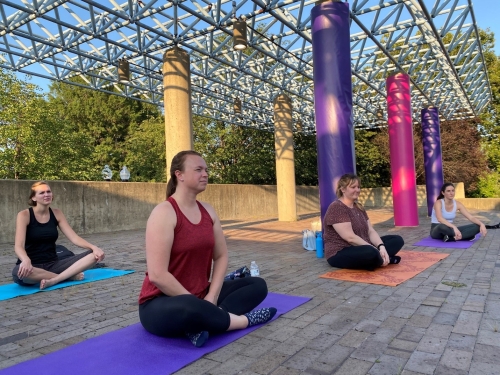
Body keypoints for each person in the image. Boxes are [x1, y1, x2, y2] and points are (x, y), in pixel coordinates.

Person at [138, 150, 276, 348]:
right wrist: (199, 303)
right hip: (161, 302)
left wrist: (211, 296)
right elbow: (157, 275)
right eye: (198, 169)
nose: (205, 174)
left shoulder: (208, 211)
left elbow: (221, 256)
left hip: (201, 295)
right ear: (180, 175)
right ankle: (242, 321)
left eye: (206, 170)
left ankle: (200, 323)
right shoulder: (164, 213)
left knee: (257, 285)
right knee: (190, 307)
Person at [13, 181, 105, 290]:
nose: (46, 195)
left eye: (48, 192)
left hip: (54, 265)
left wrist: (94, 247)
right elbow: (19, 245)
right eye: (42, 193)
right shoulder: (24, 215)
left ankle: (55, 280)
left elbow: (74, 238)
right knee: (20, 273)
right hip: (32, 267)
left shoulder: (57, 213)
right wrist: (25, 260)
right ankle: (68, 277)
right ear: (34, 198)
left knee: (93, 255)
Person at [323, 174, 404, 271]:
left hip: (363, 246)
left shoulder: (359, 207)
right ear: (343, 189)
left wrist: (381, 247)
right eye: (353, 187)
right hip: (340, 251)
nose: (357, 190)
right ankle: (382, 259)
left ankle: (377, 261)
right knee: (370, 252)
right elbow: (350, 238)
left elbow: (370, 231)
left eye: (358, 187)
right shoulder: (337, 207)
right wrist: (374, 249)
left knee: (397, 240)